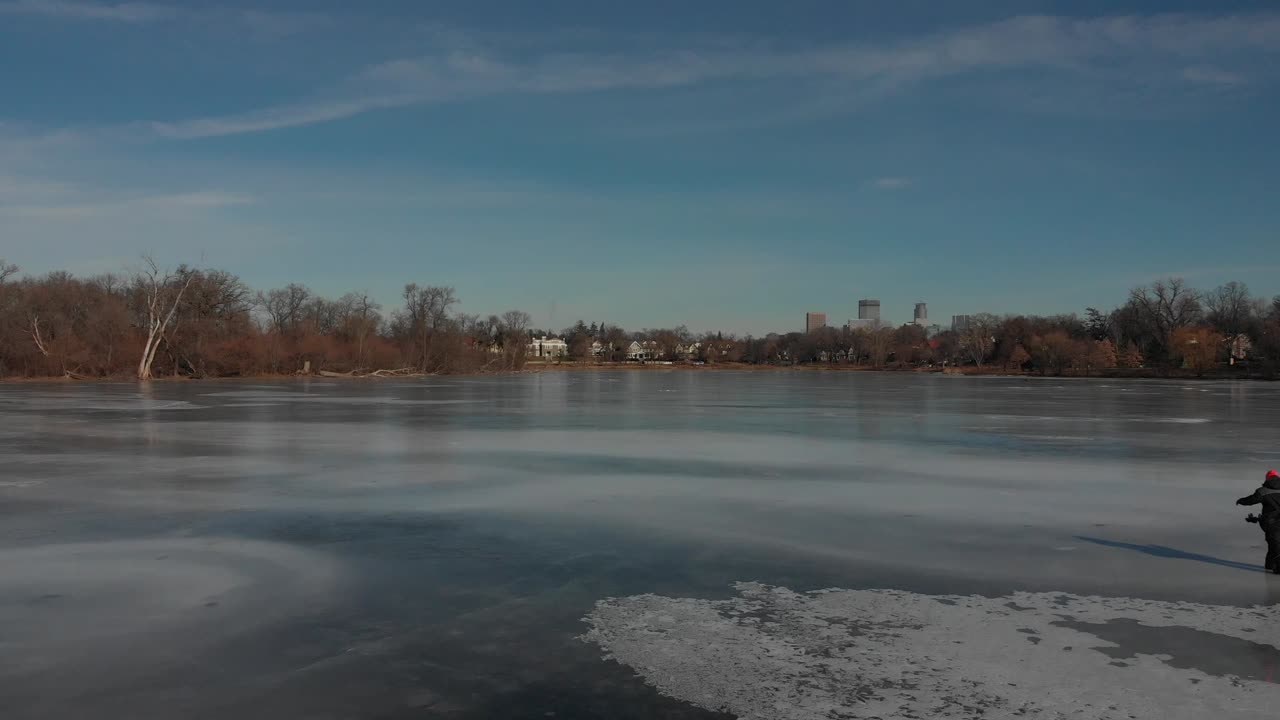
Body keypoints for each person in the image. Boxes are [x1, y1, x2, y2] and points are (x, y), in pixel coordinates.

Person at [1237, 469, 1280, 574]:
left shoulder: (1262, 491)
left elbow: (1251, 500)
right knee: (1275, 543)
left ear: (1267, 478)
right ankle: (1272, 567)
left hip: (1269, 523)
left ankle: (1274, 567)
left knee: (1274, 544)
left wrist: (1241, 501)